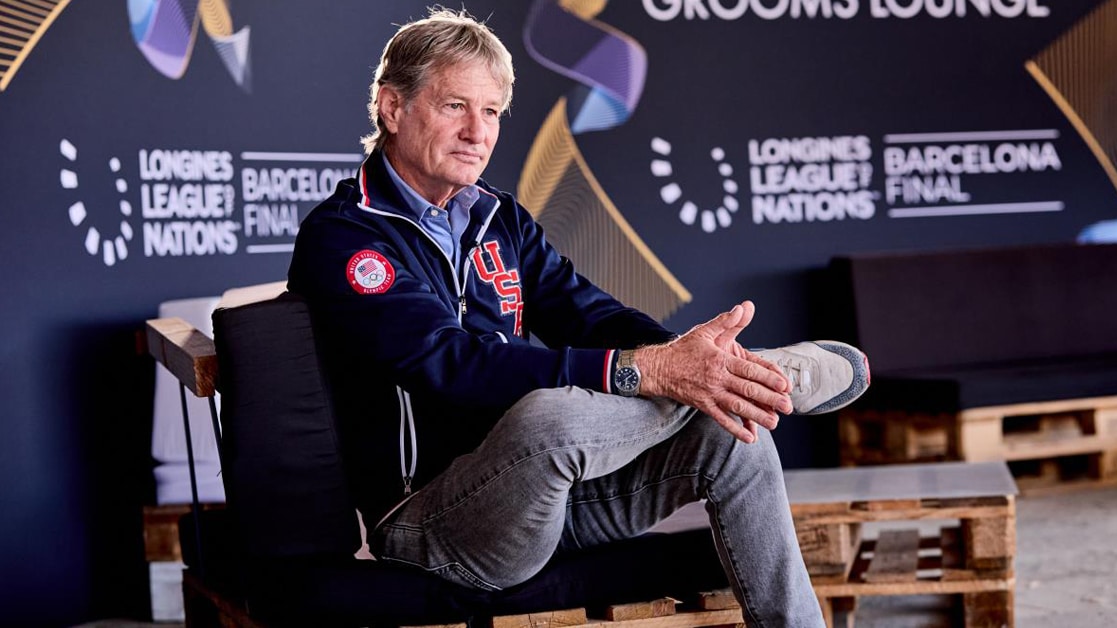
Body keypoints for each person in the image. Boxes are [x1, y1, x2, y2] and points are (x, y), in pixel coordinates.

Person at [287, 8, 869, 627]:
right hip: (432, 524)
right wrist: (655, 372)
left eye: (490, 113)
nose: (476, 132)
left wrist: (681, 357)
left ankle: (730, 376)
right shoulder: (345, 238)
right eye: (455, 106)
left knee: (733, 436)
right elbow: (449, 365)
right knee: (551, 412)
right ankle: (748, 374)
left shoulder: (498, 217)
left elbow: (586, 313)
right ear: (393, 108)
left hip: (550, 500)